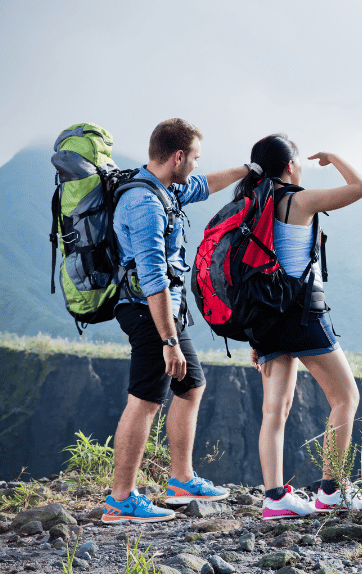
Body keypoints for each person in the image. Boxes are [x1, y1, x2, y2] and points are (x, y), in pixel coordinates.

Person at [102, 118, 251, 524]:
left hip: (162, 311)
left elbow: (203, 186)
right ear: (178, 156)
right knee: (146, 400)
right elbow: (153, 277)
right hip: (147, 310)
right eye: (195, 158)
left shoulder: (164, 187)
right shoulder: (145, 204)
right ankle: (121, 501)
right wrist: (168, 340)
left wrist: (248, 171)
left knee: (191, 385)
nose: (198, 166)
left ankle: (181, 480)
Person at [235, 134, 362, 520]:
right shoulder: (298, 199)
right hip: (303, 316)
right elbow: (361, 188)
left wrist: (254, 332)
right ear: (290, 165)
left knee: (274, 411)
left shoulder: (251, 205)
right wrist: (335, 156)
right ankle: (331, 491)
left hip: (266, 318)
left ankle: (275, 499)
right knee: (345, 397)